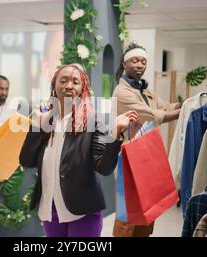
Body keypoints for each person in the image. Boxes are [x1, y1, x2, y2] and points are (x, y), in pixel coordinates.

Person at [19, 63, 139, 237]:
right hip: (51, 208)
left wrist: (116, 133)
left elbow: (104, 168)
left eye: (75, 82)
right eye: (64, 80)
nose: (69, 85)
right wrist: (39, 127)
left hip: (83, 209)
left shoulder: (93, 120)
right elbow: (26, 160)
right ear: (54, 85)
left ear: (82, 88)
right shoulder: (47, 121)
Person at [112, 42, 182, 237]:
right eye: (135, 61)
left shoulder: (145, 91)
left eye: (143, 61)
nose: (140, 65)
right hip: (130, 156)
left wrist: (188, 104)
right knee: (128, 212)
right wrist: (180, 113)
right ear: (125, 64)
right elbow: (152, 114)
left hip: (148, 155)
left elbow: (166, 106)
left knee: (148, 207)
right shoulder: (122, 92)